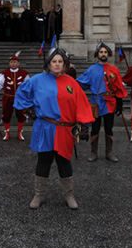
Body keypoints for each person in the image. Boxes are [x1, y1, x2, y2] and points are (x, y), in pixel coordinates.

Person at [14, 48, 94, 209]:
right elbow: (21, 93)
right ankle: (39, 195)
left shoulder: (72, 83)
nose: (57, 64)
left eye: (60, 62)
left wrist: (84, 124)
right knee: (44, 160)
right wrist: (30, 109)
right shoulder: (37, 80)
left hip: (65, 130)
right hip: (45, 127)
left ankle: (69, 195)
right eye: (54, 61)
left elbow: (81, 104)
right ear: (49, 63)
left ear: (64, 64)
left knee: (64, 161)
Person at [76, 42, 128, 162]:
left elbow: (119, 87)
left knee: (109, 128)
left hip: (110, 103)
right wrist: (68, 78)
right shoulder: (91, 70)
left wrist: (119, 104)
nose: (103, 54)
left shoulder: (114, 69)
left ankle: (109, 152)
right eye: (101, 52)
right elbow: (80, 83)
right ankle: (93, 153)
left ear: (108, 54)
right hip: (96, 103)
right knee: (95, 128)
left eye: (105, 52)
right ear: (97, 54)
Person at [0, 51, 30, 141]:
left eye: (15, 62)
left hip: (20, 99)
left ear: (18, 63)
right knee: (6, 116)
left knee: (21, 115)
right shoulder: (4, 73)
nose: (13, 63)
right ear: (9, 63)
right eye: (11, 62)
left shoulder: (24, 73)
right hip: (8, 98)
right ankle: (7, 133)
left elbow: (29, 86)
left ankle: (20, 133)